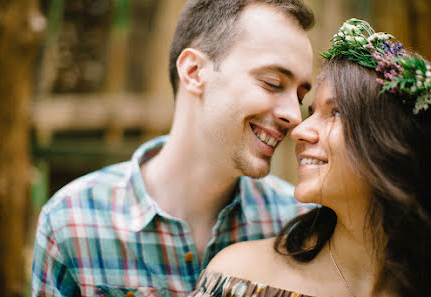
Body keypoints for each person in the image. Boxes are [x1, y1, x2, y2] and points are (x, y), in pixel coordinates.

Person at [31, 1, 316, 296]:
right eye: (272, 83)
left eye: (300, 97)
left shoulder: (301, 226)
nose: (295, 116)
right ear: (194, 72)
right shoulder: (71, 222)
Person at [189, 18, 431, 297]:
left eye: (336, 112)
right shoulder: (240, 277)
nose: (299, 130)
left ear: (393, 140)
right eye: (311, 112)